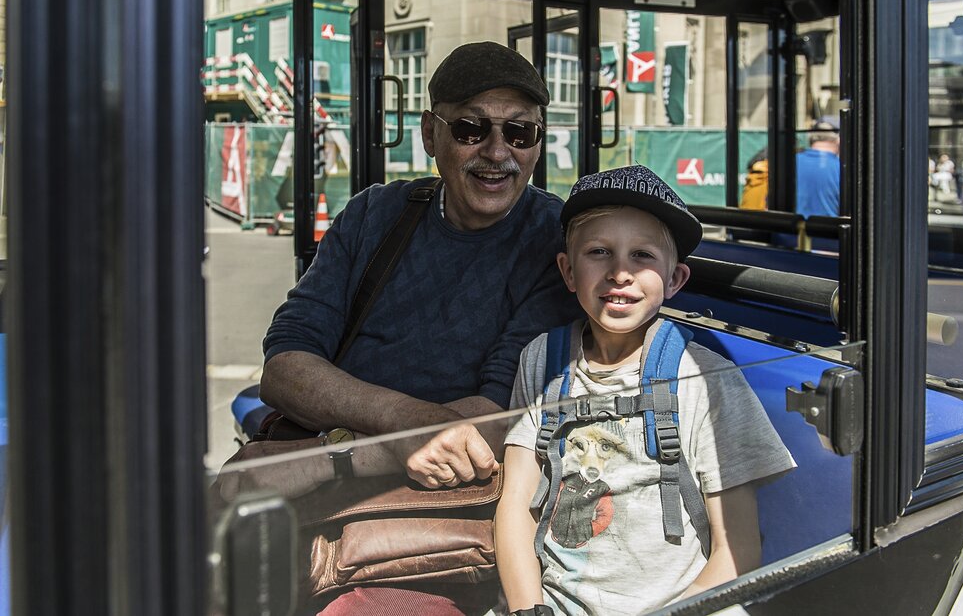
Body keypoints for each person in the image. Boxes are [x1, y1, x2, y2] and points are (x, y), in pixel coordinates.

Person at [259, 41, 579, 614]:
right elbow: (285, 366)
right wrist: (401, 429)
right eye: (471, 128)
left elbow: (497, 416)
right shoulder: (375, 214)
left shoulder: (553, 241)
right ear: (431, 135)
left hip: (439, 510)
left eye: (520, 133)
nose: (497, 152)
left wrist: (343, 449)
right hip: (323, 476)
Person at [494, 165, 795, 616]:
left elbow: (738, 550)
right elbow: (516, 506)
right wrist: (527, 609)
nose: (620, 273)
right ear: (568, 270)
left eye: (642, 256)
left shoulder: (704, 379)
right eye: (599, 251)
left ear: (675, 280)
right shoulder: (542, 360)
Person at [795, 119, 841, 217]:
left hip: (788, 230)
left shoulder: (790, 163)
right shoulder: (841, 168)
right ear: (838, 141)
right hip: (826, 231)